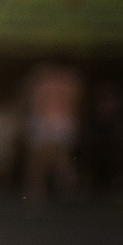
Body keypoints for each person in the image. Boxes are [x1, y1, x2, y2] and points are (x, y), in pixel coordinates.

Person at [21, 60, 82, 206]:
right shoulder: (69, 79)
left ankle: (40, 193)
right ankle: (47, 192)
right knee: (53, 158)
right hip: (58, 121)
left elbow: (34, 102)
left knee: (45, 159)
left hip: (52, 120)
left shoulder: (44, 79)